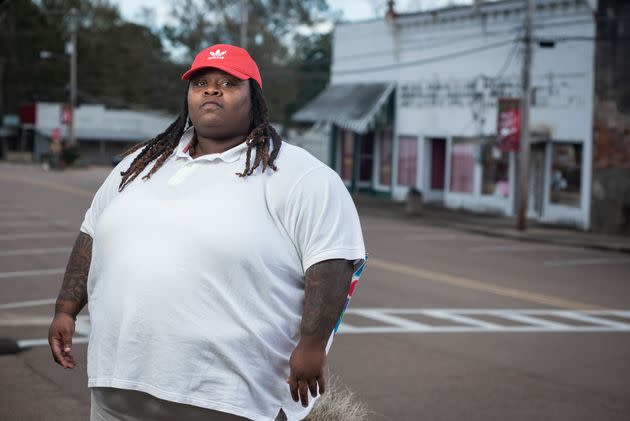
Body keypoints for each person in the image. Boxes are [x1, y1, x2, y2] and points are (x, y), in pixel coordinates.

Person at [48, 43, 366, 421]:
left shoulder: (302, 176)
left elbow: (332, 261)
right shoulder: (138, 164)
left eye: (228, 83)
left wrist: (312, 345)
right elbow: (91, 236)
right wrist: (65, 310)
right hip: (118, 386)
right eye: (200, 83)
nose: (211, 90)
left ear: (256, 99)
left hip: (227, 397)